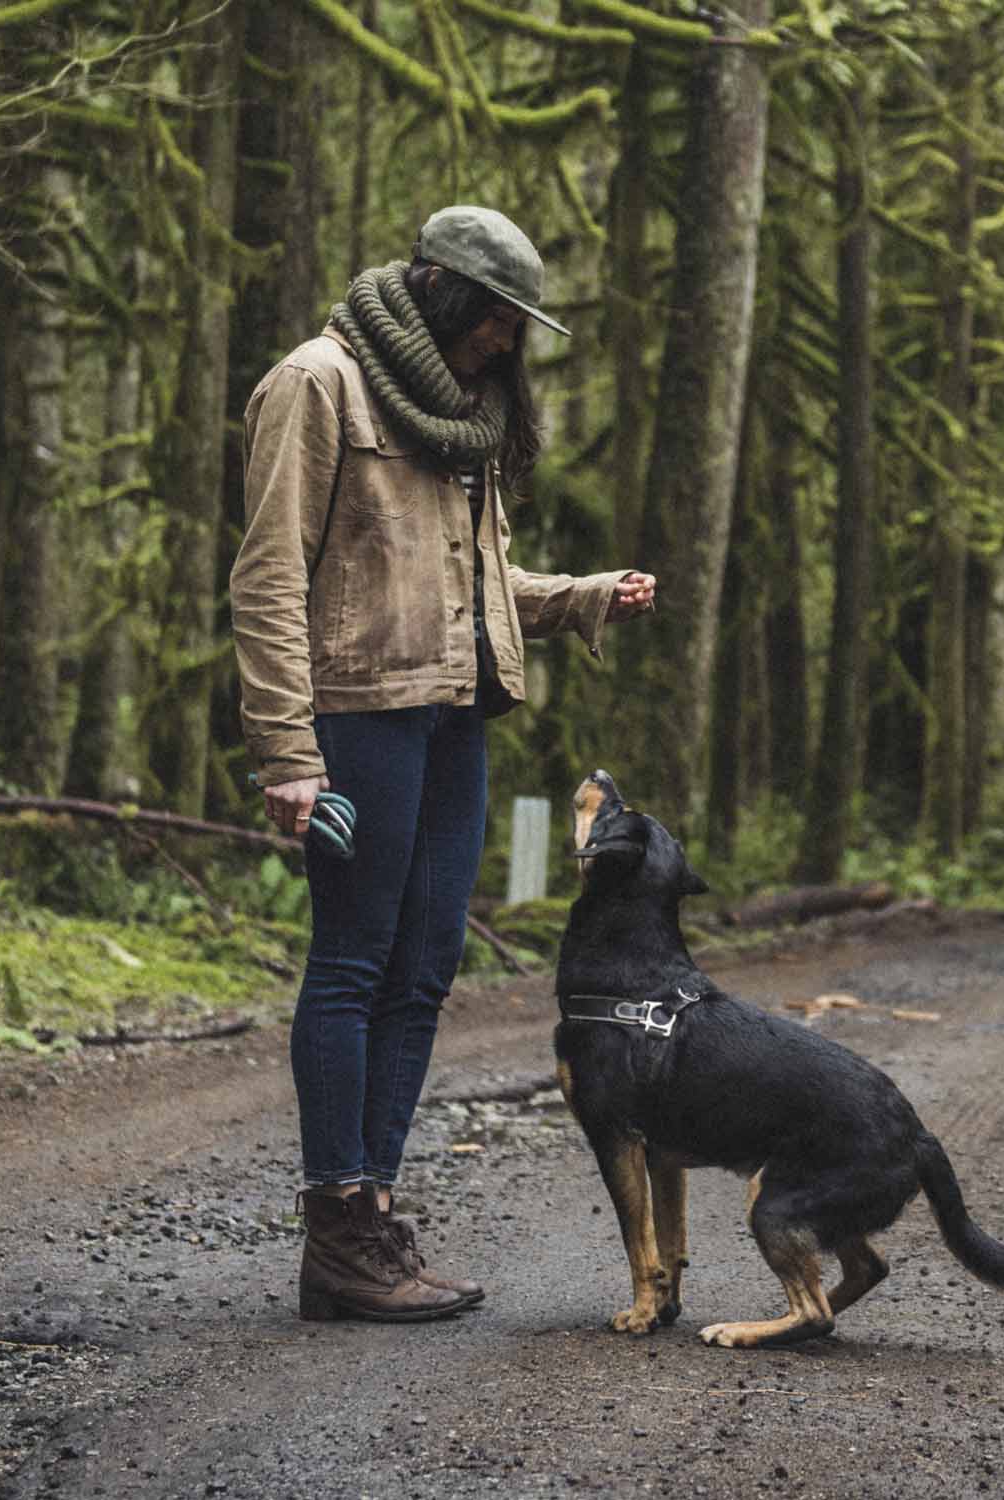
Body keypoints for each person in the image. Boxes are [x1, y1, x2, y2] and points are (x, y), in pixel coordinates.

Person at [229, 205, 655, 1323]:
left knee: (424, 970)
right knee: (353, 963)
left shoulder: (461, 422)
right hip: (358, 720)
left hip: (454, 720)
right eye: (500, 319)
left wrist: (581, 598)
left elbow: (470, 587)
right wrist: (288, 752)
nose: (509, 344)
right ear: (439, 292)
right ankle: (337, 1233)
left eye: (520, 326)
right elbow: (270, 577)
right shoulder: (315, 384)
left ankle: (374, 1211)